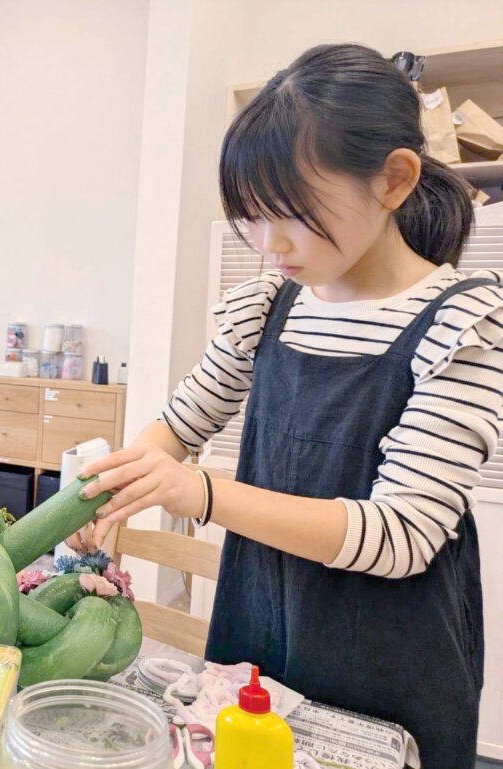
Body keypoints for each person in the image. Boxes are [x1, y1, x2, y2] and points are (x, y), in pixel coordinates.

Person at [71, 44, 493, 768]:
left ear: (393, 180)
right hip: (262, 632)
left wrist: (202, 493)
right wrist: (115, 491)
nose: (269, 244)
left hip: (391, 662)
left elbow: (401, 535)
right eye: (253, 217)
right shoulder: (268, 306)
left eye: (293, 214)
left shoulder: (464, 324)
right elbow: (179, 425)